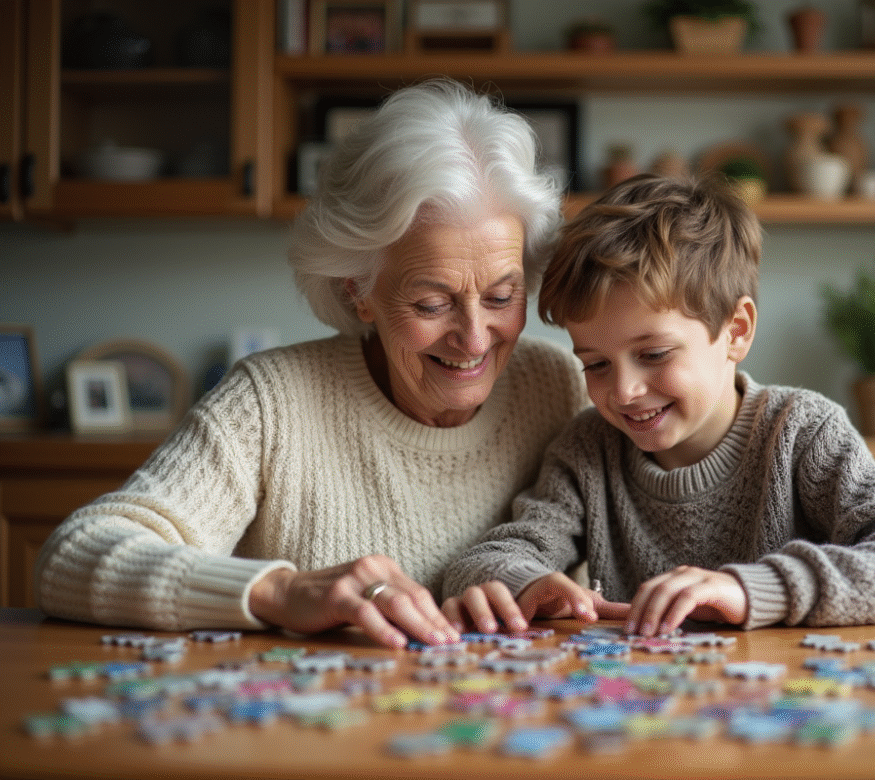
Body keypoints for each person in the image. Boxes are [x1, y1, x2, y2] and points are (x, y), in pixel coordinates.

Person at [34, 79, 591, 648]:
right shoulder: (271, 403)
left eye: (502, 296)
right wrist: (281, 591)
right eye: (432, 303)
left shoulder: (562, 386)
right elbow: (72, 557)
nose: (475, 338)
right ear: (358, 291)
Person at [442, 173, 875, 637]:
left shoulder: (802, 432)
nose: (623, 391)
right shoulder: (589, 450)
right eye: (596, 364)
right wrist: (527, 581)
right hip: (638, 721)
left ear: (736, 331)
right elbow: (481, 564)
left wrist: (755, 591)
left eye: (653, 354)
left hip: (792, 718)